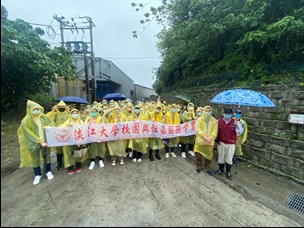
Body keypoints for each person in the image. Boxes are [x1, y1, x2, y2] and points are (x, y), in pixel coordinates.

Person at [17, 100, 55, 185]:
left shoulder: (43, 117)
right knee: (35, 159)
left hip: (45, 141)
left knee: (47, 156)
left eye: (38, 109)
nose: (36, 110)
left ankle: (48, 171)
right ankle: (37, 175)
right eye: (34, 109)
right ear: (30, 109)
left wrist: (48, 127)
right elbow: (28, 133)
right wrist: (39, 141)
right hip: (33, 143)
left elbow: (51, 124)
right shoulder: (25, 120)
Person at [215, 108, 243, 179]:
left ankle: (228, 172)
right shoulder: (219, 121)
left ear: (231, 115)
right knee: (221, 157)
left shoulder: (235, 122)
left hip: (231, 143)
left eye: (228, 114)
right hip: (221, 142)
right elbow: (215, 129)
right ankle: (220, 169)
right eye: (225, 114)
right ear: (223, 114)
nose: (226, 115)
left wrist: (236, 125)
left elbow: (240, 132)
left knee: (229, 158)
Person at [61, 109, 88, 175]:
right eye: (73, 113)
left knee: (78, 153)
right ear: (71, 114)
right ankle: (70, 168)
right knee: (70, 154)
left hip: (79, 140)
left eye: (76, 113)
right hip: (69, 141)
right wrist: (67, 125)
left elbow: (84, 130)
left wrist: (81, 140)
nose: (75, 114)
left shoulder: (81, 121)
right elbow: (61, 128)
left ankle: (78, 166)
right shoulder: (68, 121)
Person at [193, 106, 218, 174]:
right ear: (203, 111)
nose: (207, 112)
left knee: (209, 156)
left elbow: (215, 131)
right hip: (201, 140)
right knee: (198, 155)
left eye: (209, 111)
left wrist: (210, 139)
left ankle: (207, 167)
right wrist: (205, 138)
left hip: (210, 141)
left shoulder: (214, 121)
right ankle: (199, 166)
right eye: (206, 110)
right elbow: (198, 130)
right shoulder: (199, 120)